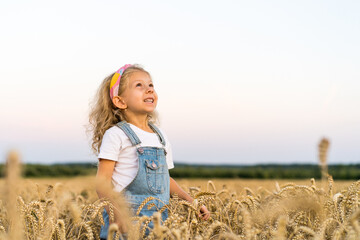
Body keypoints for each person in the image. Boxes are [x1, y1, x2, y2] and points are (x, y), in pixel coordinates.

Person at [88, 64, 210, 239]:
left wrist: (191, 202)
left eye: (151, 85)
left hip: (160, 222)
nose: (149, 90)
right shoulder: (116, 134)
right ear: (120, 101)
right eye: (139, 85)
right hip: (125, 222)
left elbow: (164, 180)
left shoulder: (160, 137)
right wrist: (116, 215)